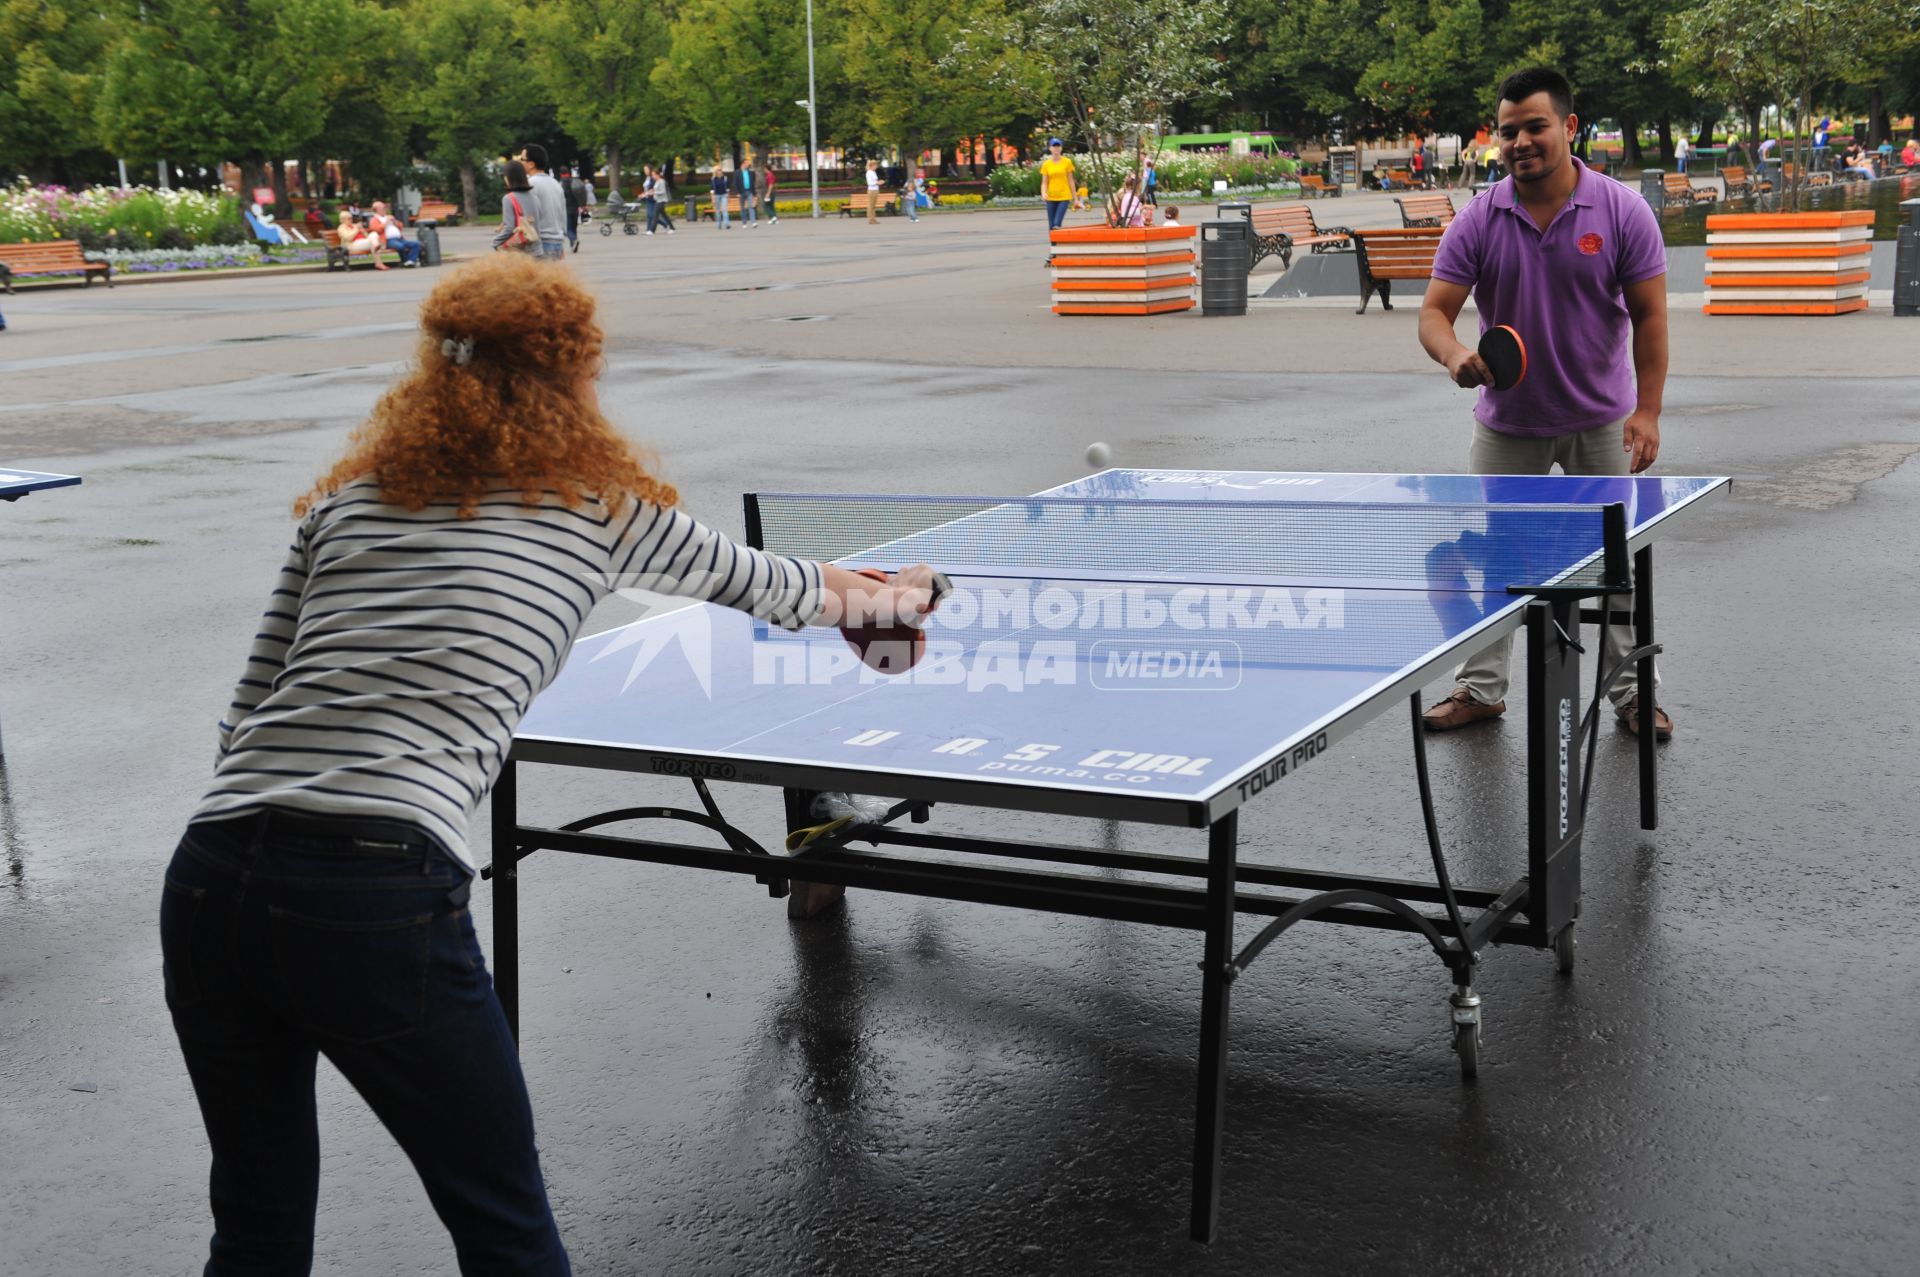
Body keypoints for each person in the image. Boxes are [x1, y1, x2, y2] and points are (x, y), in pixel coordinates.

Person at [160, 252, 941, 1275]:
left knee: (257, 1228)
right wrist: (901, 596)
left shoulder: (348, 501)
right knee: (505, 1225)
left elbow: (249, 705)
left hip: (212, 876)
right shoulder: (594, 505)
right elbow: (788, 587)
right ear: (572, 373)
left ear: (436, 374)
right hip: (372, 886)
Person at [1416, 65, 1673, 739]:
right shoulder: (1480, 217)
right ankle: (1482, 687)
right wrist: (1453, 355)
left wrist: (1646, 411)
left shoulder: (1621, 211)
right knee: (1503, 561)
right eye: (1508, 132)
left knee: (1614, 568)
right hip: (1510, 426)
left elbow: (1650, 317)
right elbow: (1434, 314)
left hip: (1601, 422)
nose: (1521, 141)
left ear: (1569, 127)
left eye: (1535, 126)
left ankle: (1632, 695)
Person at [518, 144, 569, 260]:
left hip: (541, 244)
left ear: (531, 164)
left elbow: (528, 217)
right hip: (556, 242)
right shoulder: (556, 184)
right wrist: (561, 244)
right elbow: (563, 215)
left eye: (522, 159)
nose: (520, 162)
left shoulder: (530, 184)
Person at [491, 161, 539, 254]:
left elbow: (509, 228)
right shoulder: (534, 197)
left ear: (508, 178)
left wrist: (495, 242)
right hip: (537, 250)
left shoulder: (508, 198)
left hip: (520, 253)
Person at [1039, 138, 1075, 237]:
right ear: (1050, 148)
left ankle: (1057, 248)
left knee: (1056, 223)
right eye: (1054, 146)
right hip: (1051, 197)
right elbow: (1044, 182)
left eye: (1058, 146)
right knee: (1051, 225)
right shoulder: (1046, 164)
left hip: (1064, 196)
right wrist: (1044, 193)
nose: (1056, 148)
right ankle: (1054, 248)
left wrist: (1075, 198)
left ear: (1061, 148)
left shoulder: (1067, 162)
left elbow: (1071, 180)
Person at [370, 201, 422, 267]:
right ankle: (407, 261)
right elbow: (376, 229)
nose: (385, 209)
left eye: (385, 207)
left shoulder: (389, 217)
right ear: (377, 209)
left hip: (399, 239)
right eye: (383, 208)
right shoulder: (374, 219)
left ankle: (410, 261)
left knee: (416, 244)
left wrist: (395, 222)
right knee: (400, 246)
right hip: (388, 241)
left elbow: (401, 226)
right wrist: (386, 222)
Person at [559, 166, 586, 252]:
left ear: (560, 173)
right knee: (574, 227)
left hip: (566, 208)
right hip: (575, 208)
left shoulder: (561, 183)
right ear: (568, 172)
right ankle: (573, 246)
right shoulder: (573, 181)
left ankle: (573, 240)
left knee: (568, 228)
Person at [864, 159, 881, 225]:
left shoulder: (873, 172)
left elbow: (874, 181)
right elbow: (870, 183)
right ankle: (870, 219)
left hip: (875, 189)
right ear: (872, 166)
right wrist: (878, 183)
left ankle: (873, 219)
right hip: (872, 190)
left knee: (873, 205)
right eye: (875, 165)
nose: (876, 167)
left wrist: (877, 183)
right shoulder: (869, 172)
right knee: (871, 205)